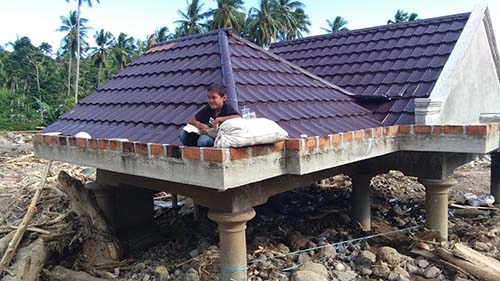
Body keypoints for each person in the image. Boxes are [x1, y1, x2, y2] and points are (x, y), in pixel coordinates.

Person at [178, 83, 240, 147]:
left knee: (203, 141)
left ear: (223, 98)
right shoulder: (208, 109)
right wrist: (199, 125)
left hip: (218, 139)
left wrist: (219, 119)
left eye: (214, 97)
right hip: (203, 134)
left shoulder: (227, 108)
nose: (211, 100)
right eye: (209, 97)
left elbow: (238, 117)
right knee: (183, 135)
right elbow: (191, 120)